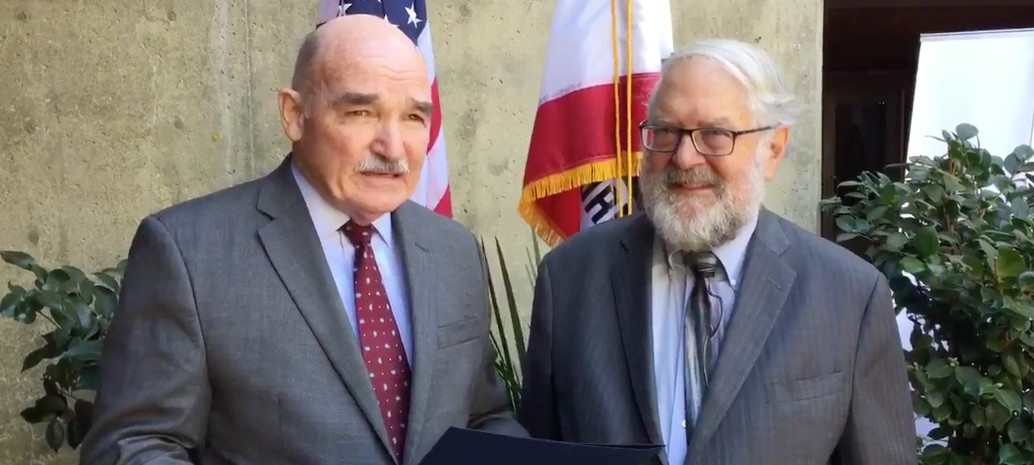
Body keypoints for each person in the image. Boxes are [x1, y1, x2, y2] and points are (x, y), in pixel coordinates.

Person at [80, 14, 523, 465]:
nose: (393, 146)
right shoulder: (188, 252)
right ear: (294, 115)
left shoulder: (453, 251)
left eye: (412, 116)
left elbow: (484, 418)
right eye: (361, 112)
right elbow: (133, 445)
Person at [517, 39, 916, 465]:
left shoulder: (849, 297)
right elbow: (540, 450)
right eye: (666, 132)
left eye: (715, 134)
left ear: (773, 149)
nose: (685, 158)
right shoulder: (571, 278)